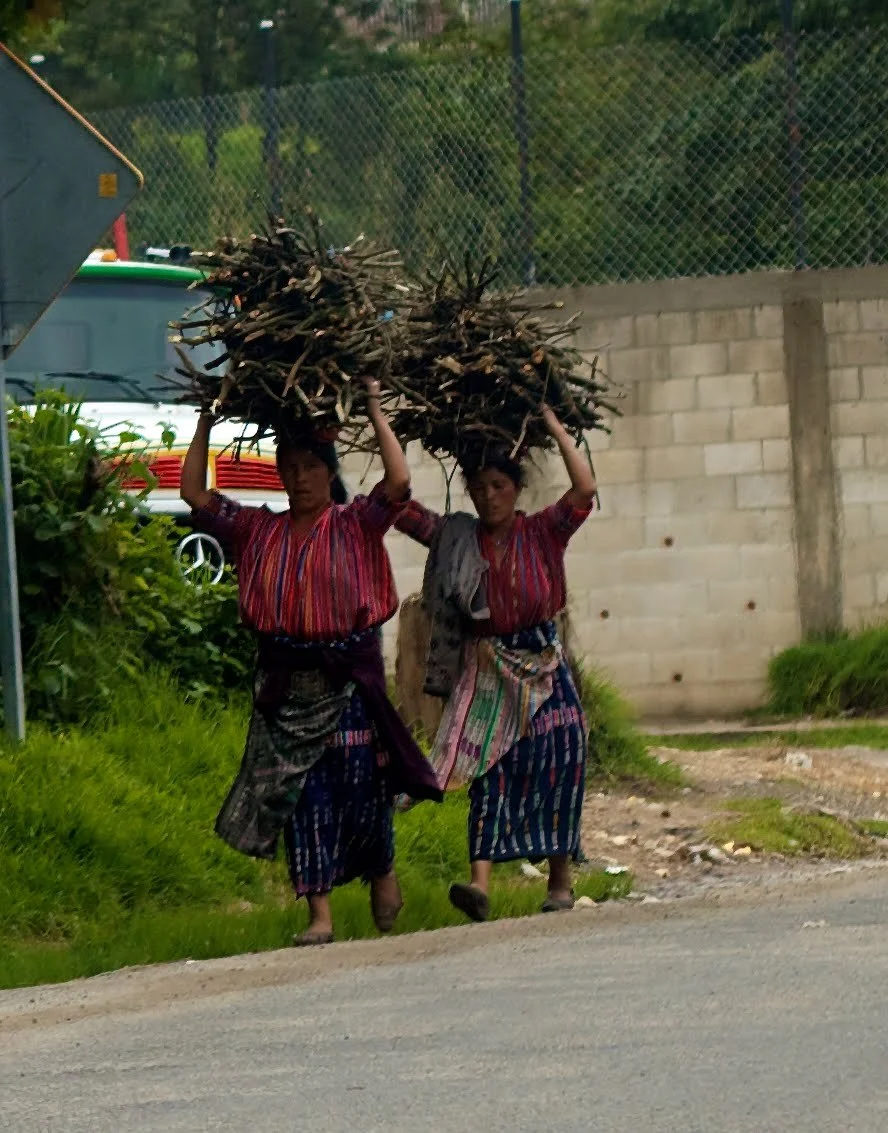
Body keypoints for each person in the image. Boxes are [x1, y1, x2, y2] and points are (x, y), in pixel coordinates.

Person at [180, 380, 442, 946]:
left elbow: (398, 483)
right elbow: (195, 494)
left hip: (346, 686)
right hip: (287, 689)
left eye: (309, 466)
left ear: (329, 473)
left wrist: (373, 407)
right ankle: (318, 915)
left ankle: (382, 870)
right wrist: (205, 418)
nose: (298, 477)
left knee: (361, 790)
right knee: (303, 799)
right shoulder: (258, 530)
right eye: (290, 467)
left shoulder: (356, 523)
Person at [394, 406, 595, 922]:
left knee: (562, 755)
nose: (488, 497)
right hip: (486, 667)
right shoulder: (458, 538)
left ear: (516, 487)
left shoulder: (544, 531)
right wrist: (385, 431)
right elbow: (399, 506)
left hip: (542, 660)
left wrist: (554, 428)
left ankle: (560, 881)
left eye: (498, 485)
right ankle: (480, 885)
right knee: (487, 768)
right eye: (479, 487)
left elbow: (585, 490)